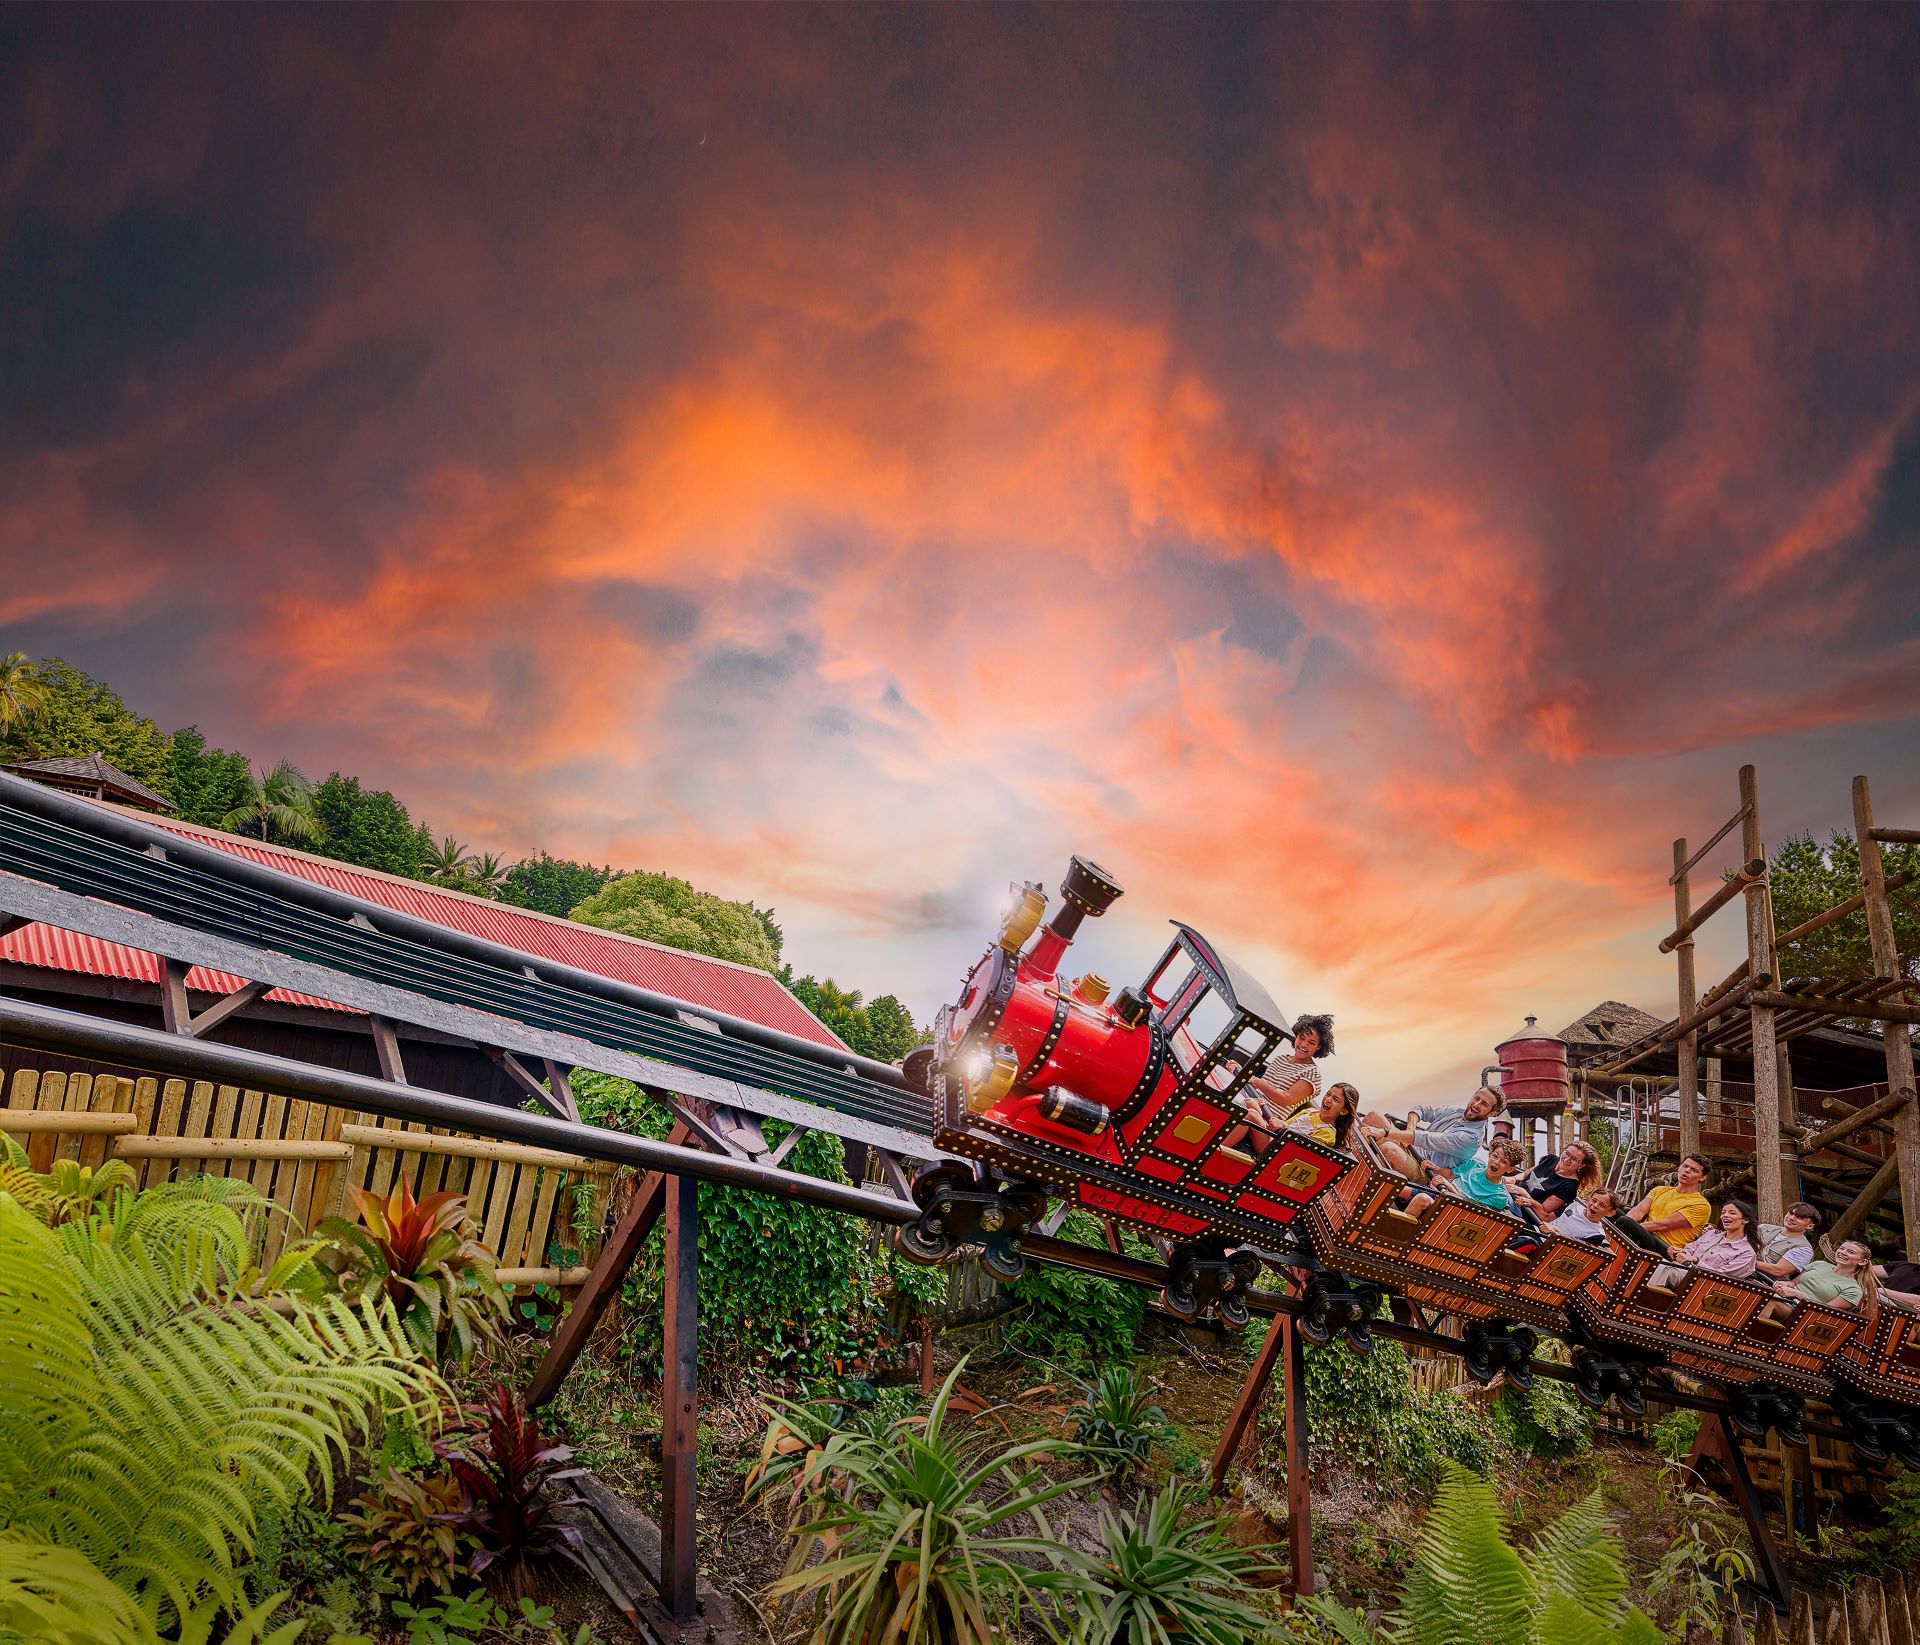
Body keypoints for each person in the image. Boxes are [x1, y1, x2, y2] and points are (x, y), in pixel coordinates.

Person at [1362, 1085, 1504, 1184]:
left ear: (1491, 1113)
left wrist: (1385, 1132)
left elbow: (1427, 1139)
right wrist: (1409, 1128)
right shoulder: (1455, 1112)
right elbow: (1421, 1109)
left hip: (1425, 1171)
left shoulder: (1471, 1137)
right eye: (1476, 1098)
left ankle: (1357, 1185)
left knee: (1389, 1150)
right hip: (1412, 1150)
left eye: (1484, 1104)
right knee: (1374, 1117)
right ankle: (1351, 1164)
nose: (1476, 1104)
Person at [1240, 1014, 1333, 1128]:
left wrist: (1259, 1083)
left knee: (1248, 1109)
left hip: (1267, 1119)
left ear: (1319, 1047)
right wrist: (1236, 1070)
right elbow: (1257, 1088)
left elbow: (1286, 1099)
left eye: (1311, 1042)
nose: (1304, 1044)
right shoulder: (1281, 1059)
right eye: (1301, 1038)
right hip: (1250, 1101)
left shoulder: (1312, 1073)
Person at [1406, 1138, 1525, 1218]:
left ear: (1510, 1169)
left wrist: (1449, 1186)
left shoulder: (1500, 1196)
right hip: (1440, 1193)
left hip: (1453, 1212)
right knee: (1400, 1188)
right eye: (1495, 1156)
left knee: (1422, 1199)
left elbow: (1471, 1210)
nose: (1496, 1162)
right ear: (1489, 1155)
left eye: (1504, 1162)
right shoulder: (1475, 1164)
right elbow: (1451, 1174)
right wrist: (1435, 1168)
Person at [1661, 1198, 1761, 1284]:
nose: (1725, 1215)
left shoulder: (1747, 1252)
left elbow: (1723, 1277)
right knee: (1655, 1263)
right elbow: (1690, 1250)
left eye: (1732, 1213)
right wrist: (1679, 1252)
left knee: (1668, 1272)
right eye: (1723, 1212)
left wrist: (1695, 1261)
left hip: (1702, 1283)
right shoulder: (1712, 1234)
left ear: (1745, 1220)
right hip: (1682, 1270)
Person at [1624, 1154, 1713, 1250]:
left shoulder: (1701, 1205)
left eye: (1694, 1170)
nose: (1687, 1170)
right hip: (1644, 1234)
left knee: (1624, 1221)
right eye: (1685, 1166)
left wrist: (1633, 1227)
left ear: (1702, 1177)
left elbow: (1664, 1225)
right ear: (1679, 1167)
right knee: (1617, 1212)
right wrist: (1630, 1225)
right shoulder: (1659, 1190)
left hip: (1663, 1246)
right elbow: (1639, 1210)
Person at [1770, 1240, 1880, 1315]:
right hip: (1784, 1297)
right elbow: (1793, 1283)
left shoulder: (1853, 1290)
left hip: (1802, 1311)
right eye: (1841, 1249)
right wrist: (1785, 1284)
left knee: (1768, 1301)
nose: (1842, 1252)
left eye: (1850, 1252)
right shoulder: (1819, 1264)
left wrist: (1799, 1295)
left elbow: (1824, 1311)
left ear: (1862, 1261)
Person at [1512, 1140, 1602, 1220]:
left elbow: (1543, 1211)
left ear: (1581, 1166)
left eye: (1574, 1159)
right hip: (1513, 1196)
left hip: (1523, 1213)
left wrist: (1523, 1193)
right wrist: (1513, 1178)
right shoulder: (1550, 1159)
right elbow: (1525, 1174)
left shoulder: (1569, 1186)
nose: (1567, 1160)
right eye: (1567, 1153)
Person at [1284, 1081, 1359, 1150]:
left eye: (1335, 1100)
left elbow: (1299, 1149)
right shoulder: (1310, 1111)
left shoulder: (1328, 1133)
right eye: (1328, 1094)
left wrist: (1281, 1127)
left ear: (1344, 1111)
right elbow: (1286, 1124)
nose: (1328, 1099)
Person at [1754, 1203, 1821, 1279]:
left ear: (1810, 1226)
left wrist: (1747, 1260)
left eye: (1799, 1217)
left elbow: (1778, 1270)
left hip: (1763, 1283)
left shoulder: (1804, 1249)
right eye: (1791, 1213)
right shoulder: (1764, 1227)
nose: (1792, 1218)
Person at [1546, 1188, 1622, 1244]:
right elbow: (1548, 1217)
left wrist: (1556, 1233)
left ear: (1610, 1213)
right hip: (1540, 1232)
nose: (1595, 1205)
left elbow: (1576, 1250)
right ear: (1588, 1199)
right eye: (1594, 1200)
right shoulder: (1574, 1205)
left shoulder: (1597, 1234)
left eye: (1602, 1205)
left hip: (1551, 1247)